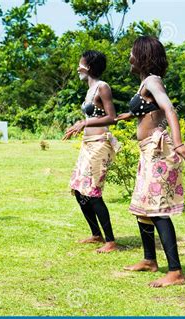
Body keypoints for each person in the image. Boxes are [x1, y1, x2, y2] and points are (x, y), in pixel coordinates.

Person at [115, 36, 185, 287]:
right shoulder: (145, 83)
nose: (129, 58)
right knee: (143, 207)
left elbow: (169, 109)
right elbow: (151, 110)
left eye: (132, 53)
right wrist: (128, 114)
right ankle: (150, 259)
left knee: (159, 210)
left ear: (142, 56)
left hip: (158, 151)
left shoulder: (151, 80)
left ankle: (176, 272)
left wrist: (179, 143)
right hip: (147, 151)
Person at [64, 50, 121, 253]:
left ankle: (111, 241)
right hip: (87, 145)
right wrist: (79, 126)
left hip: (99, 145)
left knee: (93, 192)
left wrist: (85, 122)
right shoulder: (90, 90)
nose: (78, 67)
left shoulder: (102, 87)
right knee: (79, 190)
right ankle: (96, 234)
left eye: (81, 64)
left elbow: (112, 117)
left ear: (88, 67)